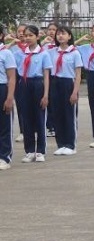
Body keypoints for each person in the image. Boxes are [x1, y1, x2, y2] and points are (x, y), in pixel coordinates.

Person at [13, 25, 52, 163]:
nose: (28, 38)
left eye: (31, 35)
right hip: (23, 84)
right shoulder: (19, 54)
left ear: (37, 36)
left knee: (39, 117)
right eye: (26, 35)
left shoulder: (43, 54)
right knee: (26, 118)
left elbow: (46, 76)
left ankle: (40, 151)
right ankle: (29, 150)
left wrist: (46, 95)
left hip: (37, 84)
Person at [47, 26, 83, 156]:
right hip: (55, 82)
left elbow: (78, 74)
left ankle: (70, 144)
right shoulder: (52, 52)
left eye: (63, 34)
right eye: (58, 34)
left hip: (68, 83)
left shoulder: (74, 53)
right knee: (57, 114)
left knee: (69, 115)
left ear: (69, 36)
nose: (60, 36)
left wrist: (75, 92)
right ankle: (61, 144)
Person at [0, 26, 15, 170]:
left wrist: (10, 97)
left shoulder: (6, 53)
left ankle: (4, 157)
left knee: (4, 124)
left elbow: (11, 77)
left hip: (2, 88)